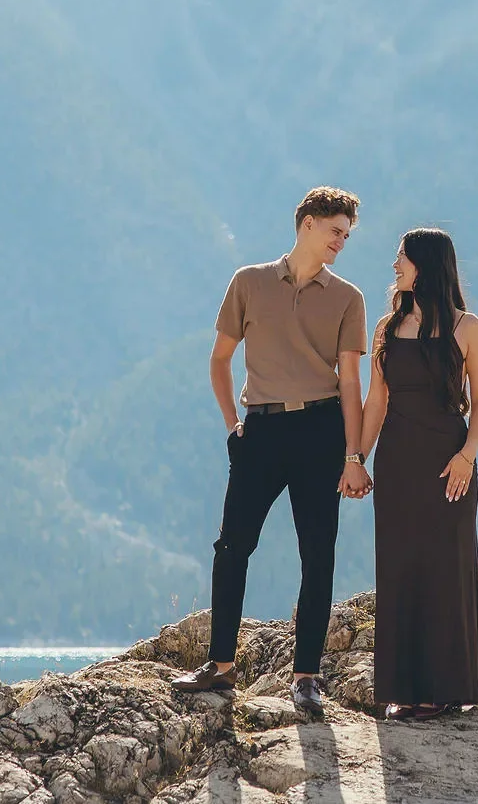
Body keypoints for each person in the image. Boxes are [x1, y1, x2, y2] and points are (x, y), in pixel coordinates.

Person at [171, 187, 374, 718]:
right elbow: (219, 360)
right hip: (259, 431)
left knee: (318, 554)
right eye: (335, 231)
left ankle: (306, 677)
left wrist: (354, 456)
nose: (341, 242)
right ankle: (220, 665)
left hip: (322, 431)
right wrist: (232, 426)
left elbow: (351, 382)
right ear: (307, 223)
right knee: (231, 547)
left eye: (346, 235)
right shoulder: (249, 282)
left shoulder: (348, 298)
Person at [359, 227, 478, 720]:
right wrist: (355, 460)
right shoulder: (386, 328)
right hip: (397, 465)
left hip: (448, 466)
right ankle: (405, 690)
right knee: (399, 569)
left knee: (445, 570)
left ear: (426, 264)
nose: (395, 265)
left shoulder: (468, 328)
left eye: (402, 257)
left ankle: (443, 691)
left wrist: (467, 456)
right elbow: (376, 402)